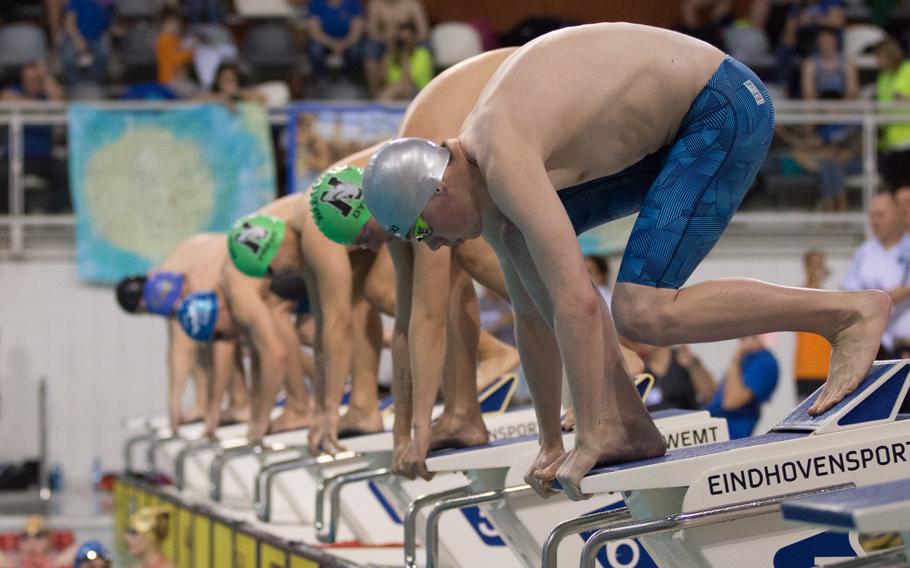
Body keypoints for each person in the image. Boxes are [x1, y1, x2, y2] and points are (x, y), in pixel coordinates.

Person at [360, 23, 890, 499]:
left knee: (642, 312)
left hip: (723, 106)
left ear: (438, 190)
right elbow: (529, 315)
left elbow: (576, 302)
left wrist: (588, 437)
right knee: (523, 251)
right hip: (661, 132)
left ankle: (845, 313)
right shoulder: (487, 186)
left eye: (423, 231)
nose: (430, 246)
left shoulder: (500, 152)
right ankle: (630, 425)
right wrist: (550, 441)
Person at [841, 192, 910, 360]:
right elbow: (849, 294)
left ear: (896, 215)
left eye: (881, 215)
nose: (875, 221)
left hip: (905, 344)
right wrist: (887, 296)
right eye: (872, 216)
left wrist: (873, 298)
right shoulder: (864, 252)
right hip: (875, 346)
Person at [800, 26, 860, 211]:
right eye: (821, 41)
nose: (825, 45)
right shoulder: (811, 64)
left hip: (841, 116)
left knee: (831, 164)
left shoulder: (846, 64)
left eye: (829, 40)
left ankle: (833, 207)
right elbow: (808, 94)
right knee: (830, 163)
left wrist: (838, 109)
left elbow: (852, 92)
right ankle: (839, 207)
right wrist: (822, 112)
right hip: (821, 117)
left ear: (836, 42)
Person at [0, 61, 69, 214]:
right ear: (22, 80)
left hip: (43, 157)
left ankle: (50, 217)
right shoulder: (13, 92)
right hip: (14, 156)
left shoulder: (47, 97)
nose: (30, 83)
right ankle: (24, 213)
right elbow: (4, 98)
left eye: (35, 79)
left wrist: (46, 76)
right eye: (27, 79)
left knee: (65, 171)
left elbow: (58, 102)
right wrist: (41, 108)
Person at [706, 335, 780, 439]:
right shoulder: (748, 358)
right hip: (714, 426)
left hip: (730, 432)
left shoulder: (764, 362)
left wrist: (736, 357)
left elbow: (731, 403)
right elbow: (714, 394)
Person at [364, 0, 429, 95]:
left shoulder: (422, 54)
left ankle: (378, 101)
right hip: (387, 42)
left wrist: (406, 54)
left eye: (405, 32)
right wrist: (389, 42)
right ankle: (374, 93)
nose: (402, 37)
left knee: (400, 88)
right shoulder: (390, 54)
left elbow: (408, 82)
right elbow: (372, 32)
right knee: (370, 49)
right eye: (400, 33)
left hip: (416, 91)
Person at [794, 249, 832, 398]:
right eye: (815, 265)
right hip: (806, 370)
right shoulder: (798, 294)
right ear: (806, 268)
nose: (818, 269)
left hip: (826, 369)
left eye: (821, 265)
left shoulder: (829, 297)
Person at [874, 37, 910, 191]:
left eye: (880, 57)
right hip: (889, 141)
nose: (877, 61)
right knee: (894, 188)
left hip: (907, 140)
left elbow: (900, 99)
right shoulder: (883, 77)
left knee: (906, 190)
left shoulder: (906, 69)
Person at [640, 344, 717, 411]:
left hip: (689, 420)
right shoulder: (639, 368)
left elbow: (710, 395)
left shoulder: (683, 357)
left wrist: (693, 365)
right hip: (658, 423)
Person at [306, 0, 365, 82]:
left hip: (347, 41)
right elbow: (315, 33)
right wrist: (332, 43)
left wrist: (343, 43)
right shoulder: (315, 2)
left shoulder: (354, 2)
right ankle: (320, 79)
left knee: (356, 50)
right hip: (324, 41)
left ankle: (348, 79)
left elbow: (356, 32)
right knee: (315, 50)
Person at [59, 0, 112, 86]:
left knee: (103, 54)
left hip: (96, 39)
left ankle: (93, 85)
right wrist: (78, 40)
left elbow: (107, 26)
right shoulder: (76, 1)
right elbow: (69, 24)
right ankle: (74, 86)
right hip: (75, 37)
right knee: (68, 57)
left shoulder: (105, 3)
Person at [376, 22, 434, 101]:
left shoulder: (422, 54)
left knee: (398, 88)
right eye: (401, 40)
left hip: (419, 92)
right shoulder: (392, 55)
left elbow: (408, 82)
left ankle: (380, 109)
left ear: (414, 39)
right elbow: (380, 80)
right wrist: (389, 53)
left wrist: (405, 58)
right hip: (392, 91)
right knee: (390, 90)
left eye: (407, 40)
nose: (404, 44)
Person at [0, 515, 76, 568]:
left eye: (38, 536)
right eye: (25, 536)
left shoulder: (58, 559)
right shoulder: (12, 559)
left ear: (49, 540)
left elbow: (75, 549)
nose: (31, 542)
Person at [156, 8, 197, 96]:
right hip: (169, 81)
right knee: (195, 95)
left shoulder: (176, 40)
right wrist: (190, 49)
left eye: (176, 23)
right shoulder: (163, 40)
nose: (175, 26)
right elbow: (176, 59)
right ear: (164, 24)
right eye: (172, 23)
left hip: (181, 80)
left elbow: (188, 59)